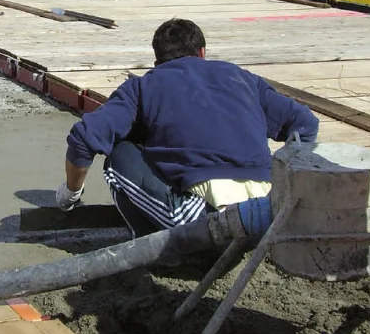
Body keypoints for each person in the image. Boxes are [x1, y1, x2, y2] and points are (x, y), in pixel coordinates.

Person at [56, 18, 319, 237]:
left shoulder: (143, 87)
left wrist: (70, 196)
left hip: (202, 223)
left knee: (118, 155)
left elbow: (84, 139)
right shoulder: (242, 77)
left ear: (157, 62)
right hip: (267, 211)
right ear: (202, 53)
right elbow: (305, 125)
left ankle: (154, 250)